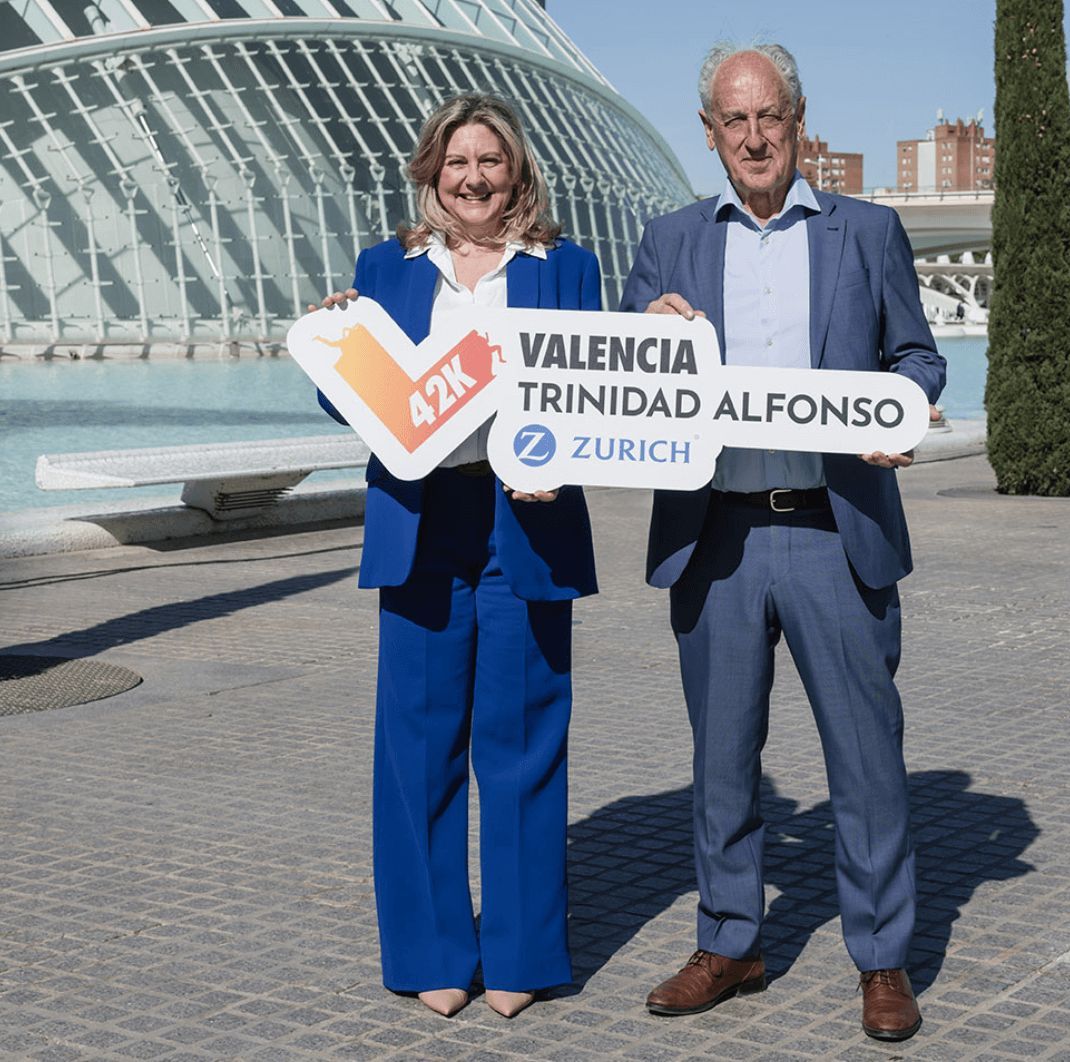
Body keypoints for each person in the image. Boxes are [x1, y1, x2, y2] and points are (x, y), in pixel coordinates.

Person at [619, 42, 946, 1042]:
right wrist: (644, 330)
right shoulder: (667, 240)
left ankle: (881, 958)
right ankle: (729, 939)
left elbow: (915, 355)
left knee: (865, 759)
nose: (753, 138)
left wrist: (904, 412)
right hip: (713, 536)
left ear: (797, 120)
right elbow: (624, 364)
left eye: (769, 117)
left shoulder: (865, 232)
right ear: (709, 133)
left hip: (830, 531)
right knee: (720, 761)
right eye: (733, 121)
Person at [311, 94, 600, 1020]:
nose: (474, 178)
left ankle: (519, 953)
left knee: (522, 745)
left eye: (491, 160)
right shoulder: (383, 269)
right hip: (422, 516)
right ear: (431, 170)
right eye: (456, 161)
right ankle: (432, 947)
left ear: (518, 169)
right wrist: (333, 349)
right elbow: (349, 406)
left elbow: (594, 391)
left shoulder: (567, 268)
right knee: (419, 746)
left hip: (528, 517)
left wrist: (567, 456)